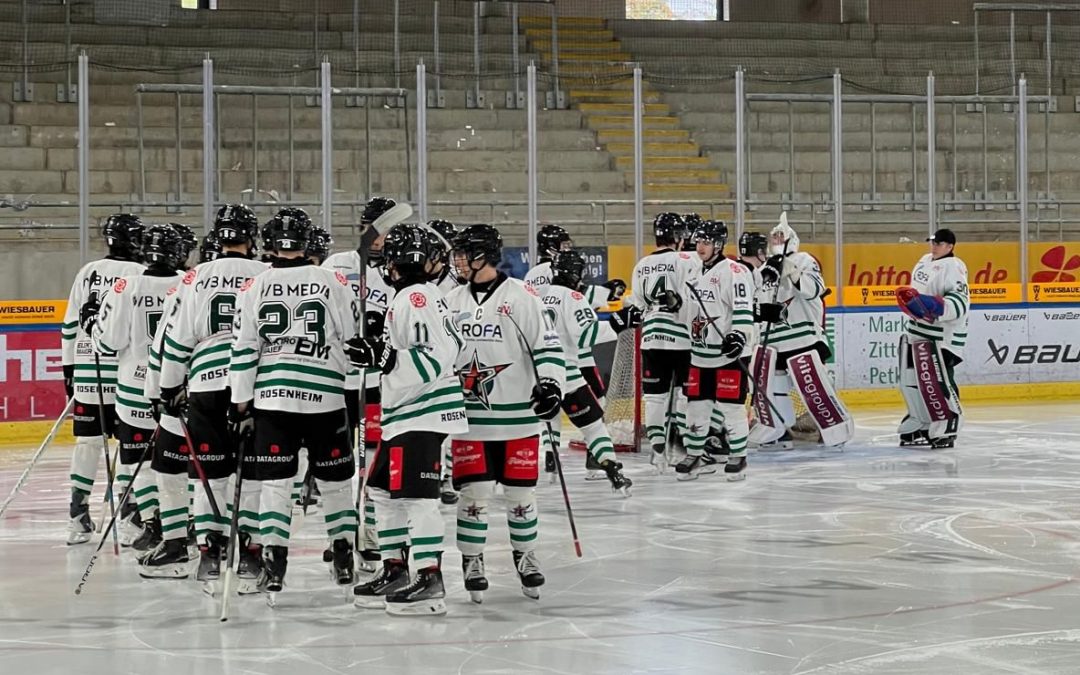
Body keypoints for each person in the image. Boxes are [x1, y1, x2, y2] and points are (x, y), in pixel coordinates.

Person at [228, 207, 360, 599]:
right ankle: (343, 553)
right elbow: (352, 341)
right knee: (336, 483)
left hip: (273, 398)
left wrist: (240, 401)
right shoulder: (333, 280)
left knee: (275, 484)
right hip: (326, 396)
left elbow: (244, 346)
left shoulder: (255, 285)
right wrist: (351, 390)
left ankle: (274, 559)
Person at [348, 225, 468, 616]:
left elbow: (435, 357)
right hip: (405, 412)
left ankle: (430, 576)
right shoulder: (418, 296)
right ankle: (395, 567)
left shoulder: (415, 297)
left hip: (423, 410)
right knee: (382, 491)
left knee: (418, 498)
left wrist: (384, 359)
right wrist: (378, 350)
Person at [445, 224, 566, 603]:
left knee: (520, 493)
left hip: (518, 417)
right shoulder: (450, 300)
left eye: (466, 251)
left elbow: (547, 349)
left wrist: (551, 384)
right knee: (475, 493)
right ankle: (472, 559)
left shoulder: (523, 297)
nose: (459, 259)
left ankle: (526, 554)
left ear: (485, 254)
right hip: (469, 419)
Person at [157, 204, 267, 592]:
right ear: (251, 238)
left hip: (205, 382)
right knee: (251, 475)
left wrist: (168, 386)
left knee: (208, 474)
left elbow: (177, 336)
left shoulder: (194, 277)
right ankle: (252, 555)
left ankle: (209, 551)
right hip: (253, 384)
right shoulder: (265, 274)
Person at [83, 225, 185, 575]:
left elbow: (107, 344)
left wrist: (92, 324)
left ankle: (152, 522)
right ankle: (182, 528)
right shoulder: (189, 282)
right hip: (176, 387)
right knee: (174, 462)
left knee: (134, 458)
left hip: (133, 387)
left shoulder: (126, 286)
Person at [321, 197, 402, 569]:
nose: (380, 238)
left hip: (377, 383)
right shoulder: (338, 264)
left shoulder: (399, 270)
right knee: (338, 462)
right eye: (375, 228)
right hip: (339, 380)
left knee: (374, 459)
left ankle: (369, 533)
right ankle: (340, 534)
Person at [60, 214, 145, 545]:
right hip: (123, 371)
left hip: (86, 368)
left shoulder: (87, 272)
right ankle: (128, 516)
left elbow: (69, 325)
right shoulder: (138, 274)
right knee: (129, 443)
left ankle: (77, 514)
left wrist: (69, 369)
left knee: (88, 441)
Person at [751, 213, 853, 448]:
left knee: (812, 386)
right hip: (774, 342)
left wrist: (792, 271)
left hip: (802, 338)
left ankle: (836, 426)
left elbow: (814, 289)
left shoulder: (804, 260)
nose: (775, 239)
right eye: (773, 236)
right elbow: (758, 300)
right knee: (772, 389)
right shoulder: (765, 268)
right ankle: (775, 428)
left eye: (780, 236)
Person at [541, 249, 635, 495]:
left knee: (539, 421)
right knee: (594, 426)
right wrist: (619, 322)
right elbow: (586, 335)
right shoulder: (573, 296)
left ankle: (548, 460)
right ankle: (612, 470)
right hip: (568, 373)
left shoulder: (536, 294)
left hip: (538, 374)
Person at [621, 212, 698, 472]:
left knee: (655, 397)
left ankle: (657, 450)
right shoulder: (686, 259)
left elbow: (638, 305)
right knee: (685, 395)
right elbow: (695, 298)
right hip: (681, 336)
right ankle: (681, 448)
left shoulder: (641, 264)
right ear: (677, 236)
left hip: (651, 336)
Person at [680, 220, 755, 481]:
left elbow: (744, 309)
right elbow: (688, 312)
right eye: (698, 241)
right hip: (699, 354)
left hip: (727, 354)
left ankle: (738, 456)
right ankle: (695, 454)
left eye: (706, 242)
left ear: (719, 244)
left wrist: (738, 335)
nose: (700, 246)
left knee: (731, 406)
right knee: (696, 406)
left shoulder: (734, 271)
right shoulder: (693, 272)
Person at [895, 228, 969, 449]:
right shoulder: (924, 260)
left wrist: (934, 305)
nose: (933, 246)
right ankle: (921, 420)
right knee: (911, 380)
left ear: (950, 246)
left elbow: (959, 302)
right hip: (917, 330)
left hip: (942, 336)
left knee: (938, 380)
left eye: (939, 243)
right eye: (933, 242)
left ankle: (948, 420)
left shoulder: (955, 267)